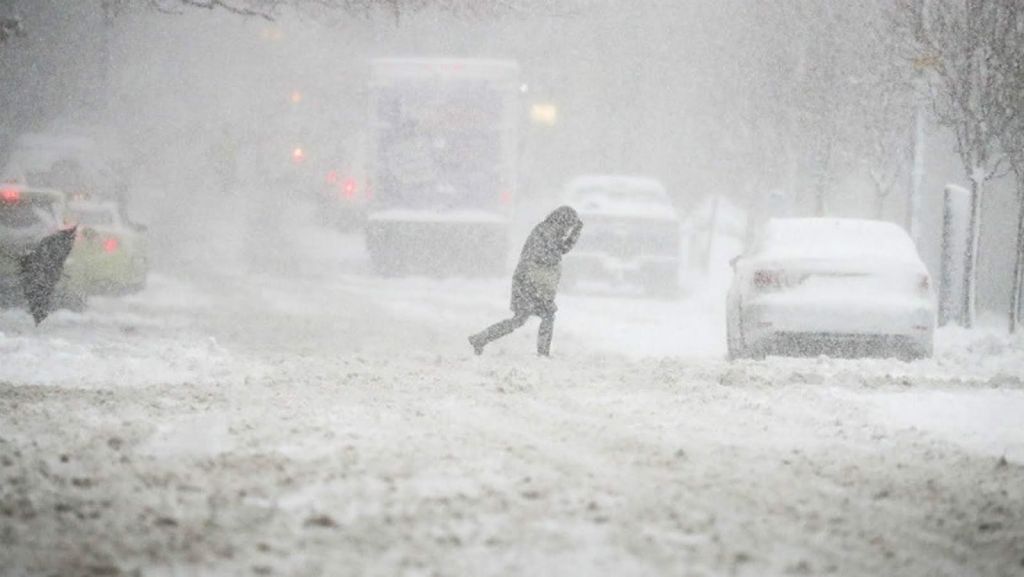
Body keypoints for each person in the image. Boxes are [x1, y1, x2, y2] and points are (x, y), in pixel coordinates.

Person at [469, 205, 583, 356]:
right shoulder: (544, 232)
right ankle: (542, 353)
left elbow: (561, 249)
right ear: (563, 222)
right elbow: (550, 255)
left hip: (533, 282)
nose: (568, 230)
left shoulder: (549, 232)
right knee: (534, 317)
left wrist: (575, 233)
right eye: (569, 226)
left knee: (525, 319)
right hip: (529, 283)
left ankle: (481, 338)